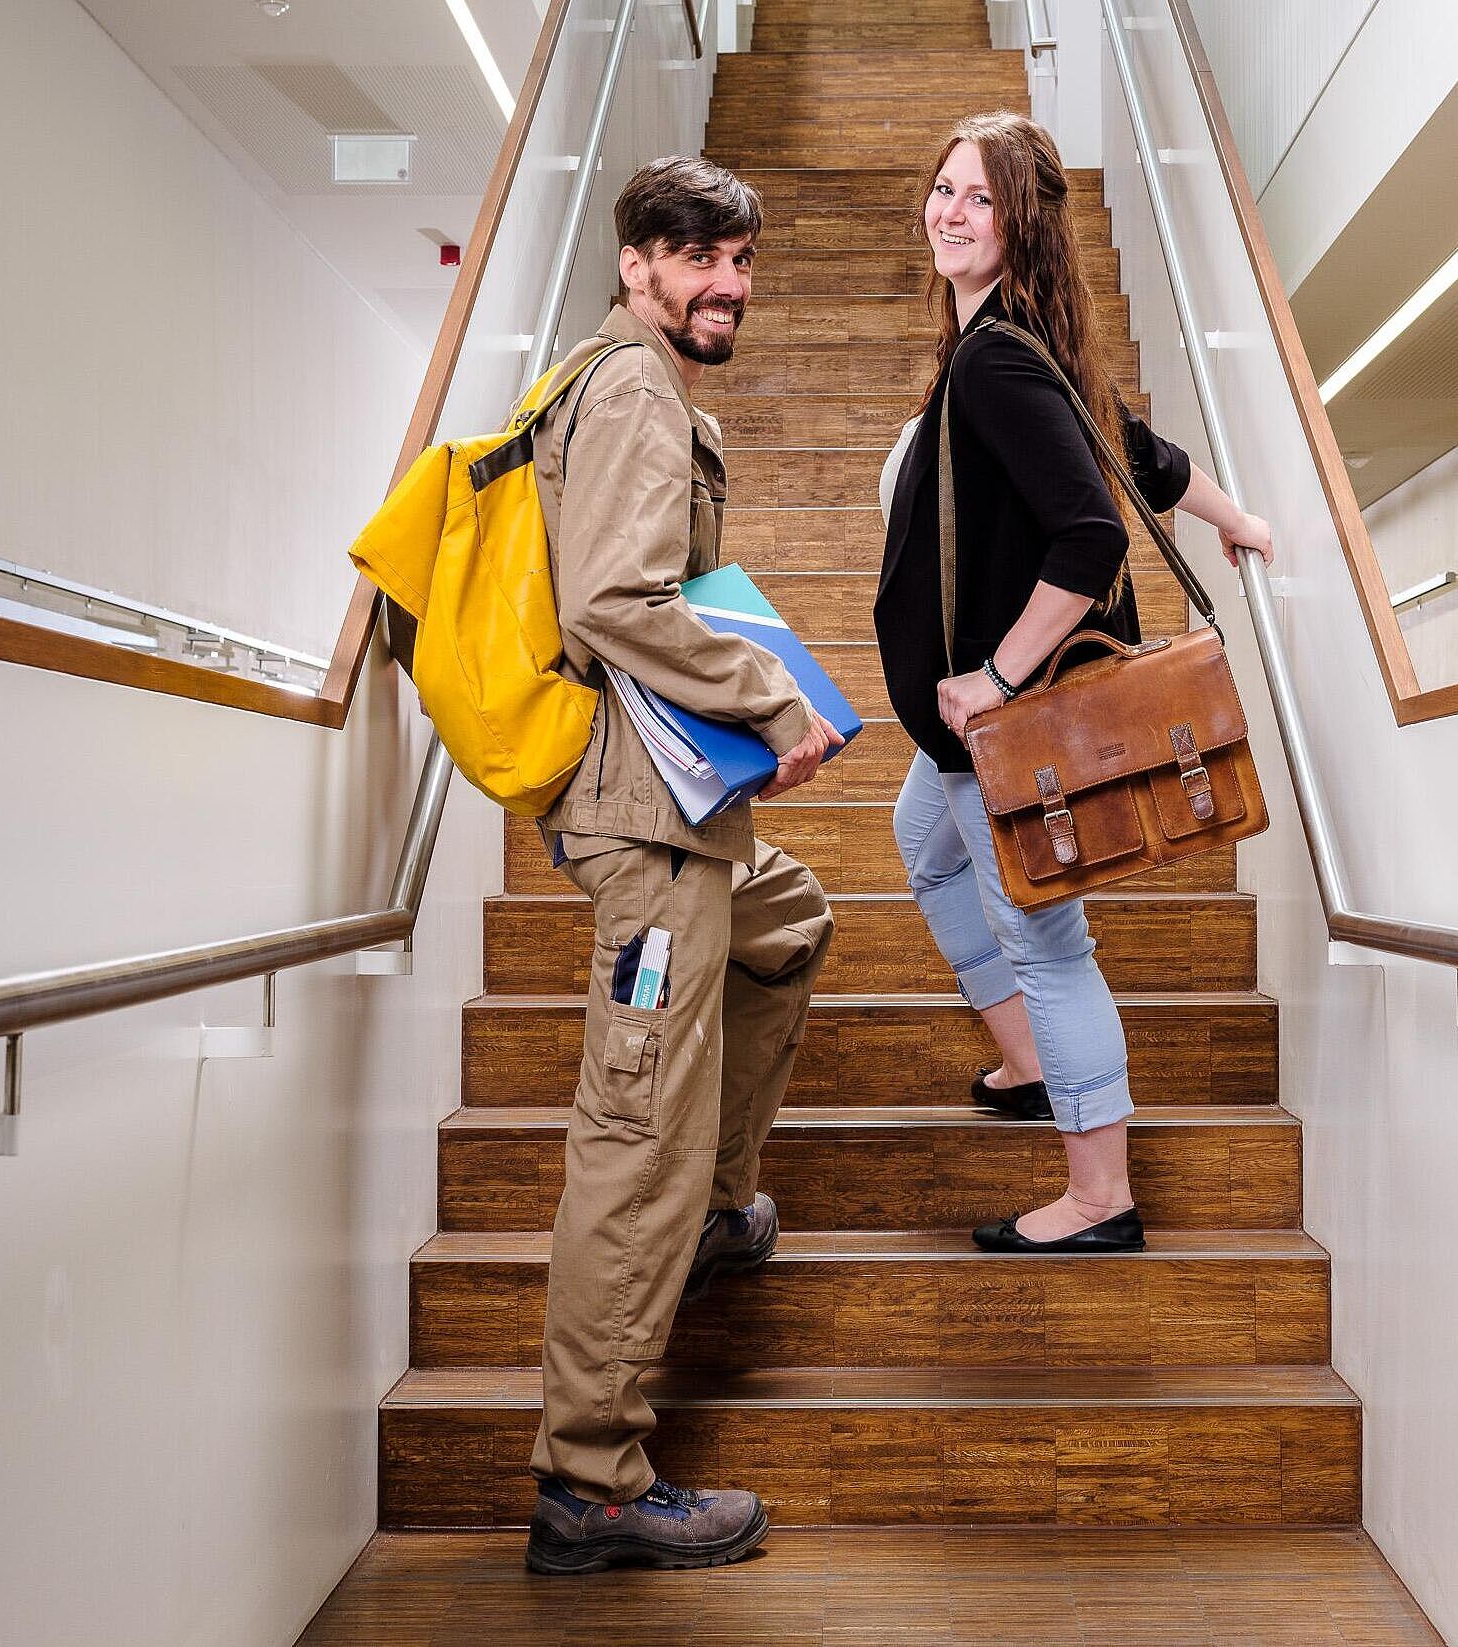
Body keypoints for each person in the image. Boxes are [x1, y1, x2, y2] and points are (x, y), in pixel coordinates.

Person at [521, 156, 843, 1575]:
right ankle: (587, 1477)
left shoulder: (625, 378)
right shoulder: (638, 386)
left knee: (795, 918)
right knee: (631, 1128)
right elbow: (610, 598)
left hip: (687, 816)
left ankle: (713, 1206)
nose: (730, 284)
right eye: (699, 257)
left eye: (741, 260)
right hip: (648, 825)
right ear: (639, 262)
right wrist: (776, 703)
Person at [874, 112, 1274, 1255]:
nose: (949, 212)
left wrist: (992, 678)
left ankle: (1101, 1195)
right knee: (924, 847)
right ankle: (1029, 1058)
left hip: (999, 728)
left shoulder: (998, 355)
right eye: (942, 189)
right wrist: (1235, 518)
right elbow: (1131, 448)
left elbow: (1092, 532)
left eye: (978, 199)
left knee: (1049, 943)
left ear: (1021, 223)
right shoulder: (1009, 340)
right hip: (959, 738)